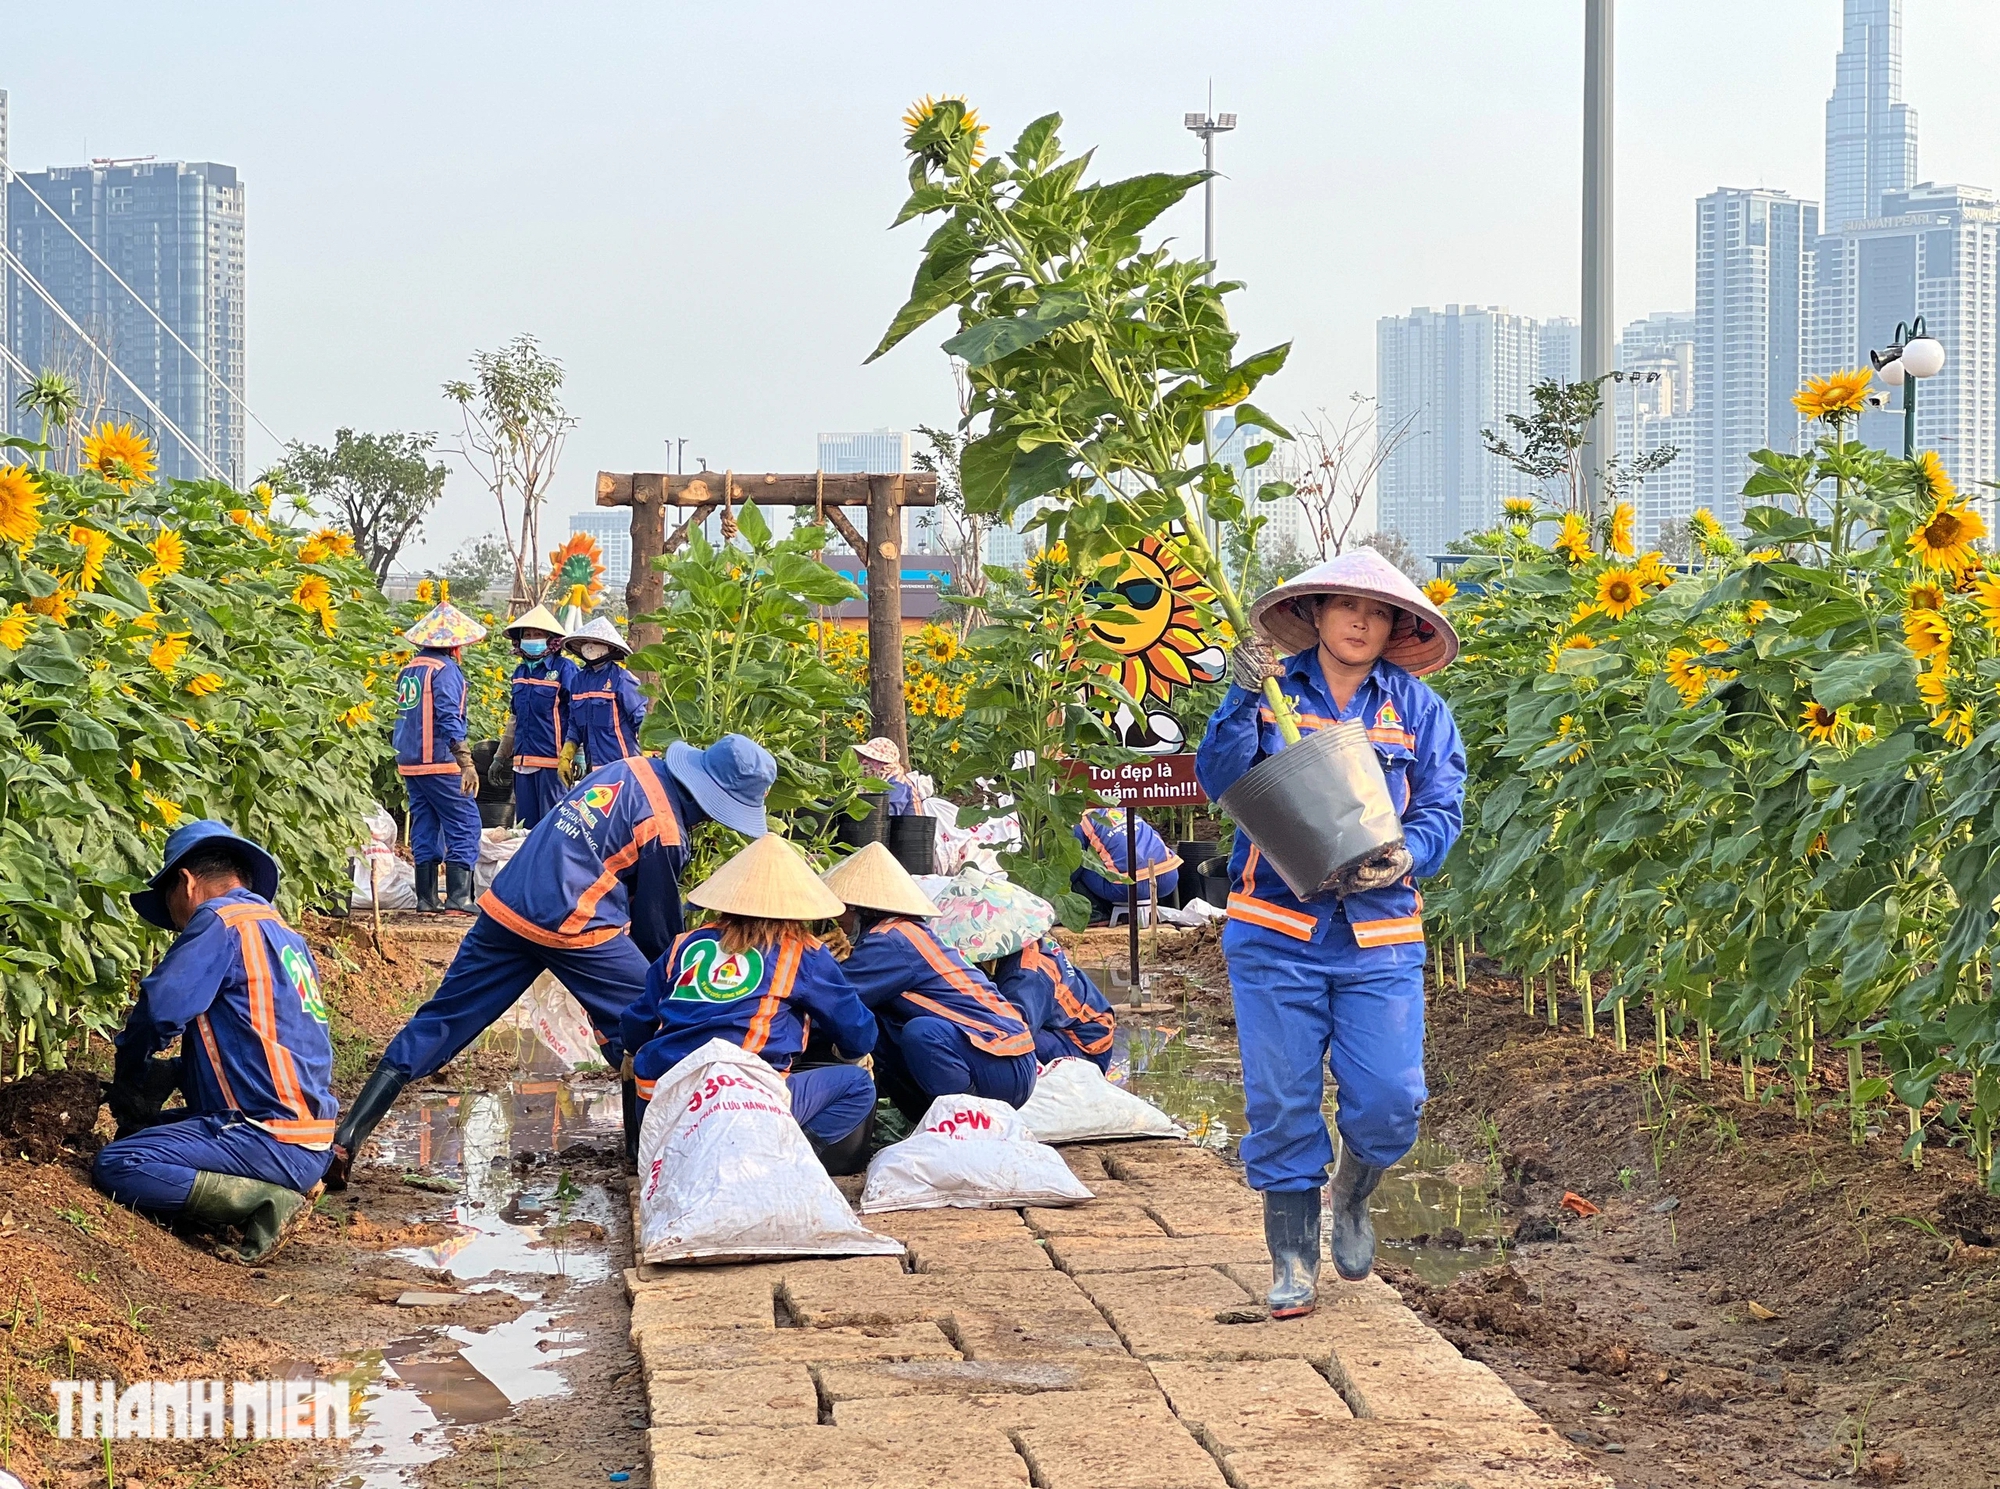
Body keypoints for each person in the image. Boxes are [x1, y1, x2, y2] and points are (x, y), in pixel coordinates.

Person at [1195, 547, 1465, 1320]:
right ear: (1313, 614)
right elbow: (1220, 777)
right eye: (1346, 605)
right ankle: (1290, 1257)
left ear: (1395, 627)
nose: (1360, 620)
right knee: (1281, 1100)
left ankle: (1352, 1191)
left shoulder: (1415, 710)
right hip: (1276, 929)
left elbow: (1442, 805)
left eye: (1378, 611)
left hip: (1380, 934)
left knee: (1390, 1098)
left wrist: (1411, 851)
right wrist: (1240, 698)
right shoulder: (1274, 689)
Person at [326, 734, 779, 1187]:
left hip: (508, 904)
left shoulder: (628, 769)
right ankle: (646, 1147)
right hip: (577, 922)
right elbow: (655, 931)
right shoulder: (665, 832)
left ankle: (349, 1135)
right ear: (710, 799)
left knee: (442, 1018)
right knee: (655, 1018)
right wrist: (678, 985)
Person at [92, 821, 336, 1264]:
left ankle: (265, 1203)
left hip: (268, 1134)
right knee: (150, 1134)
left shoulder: (220, 921)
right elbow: (255, 1040)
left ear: (185, 883)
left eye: (170, 908)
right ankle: (261, 1192)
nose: (175, 926)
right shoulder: (282, 934)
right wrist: (180, 1071)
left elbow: (160, 1010)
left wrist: (130, 1072)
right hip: (306, 1133)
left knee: (120, 1163)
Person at [619, 834, 879, 1174]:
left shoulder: (686, 943)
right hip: (739, 1105)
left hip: (663, 1100)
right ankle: (786, 1164)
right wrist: (854, 1054)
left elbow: (638, 1019)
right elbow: (856, 1031)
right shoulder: (800, 952)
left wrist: (629, 1052)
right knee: (858, 1085)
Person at [827, 843, 1038, 1118]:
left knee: (921, 1033)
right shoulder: (899, 932)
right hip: (993, 1057)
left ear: (858, 907)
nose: (834, 918)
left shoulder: (892, 940)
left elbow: (835, 1001)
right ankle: (927, 1122)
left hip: (1004, 1063)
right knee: (873, 1027)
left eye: (839, 908)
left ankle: (962, 1124)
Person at [394, 601, 488, 913]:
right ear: (455, 645)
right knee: (464, 821)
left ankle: (426, 898)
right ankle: (459, 897)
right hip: (439, 760)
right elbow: (449, 717)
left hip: (410, 761)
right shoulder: (445, 671)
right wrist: (466, 763)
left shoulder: (410, 669)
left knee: (426, 823)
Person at [494, 603, 577, 831]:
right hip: (522, 762)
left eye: (538, 634)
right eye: (527, 635)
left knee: (553, 827)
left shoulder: (564, 669)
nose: (531, 639)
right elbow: (515, 719)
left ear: (551, 639)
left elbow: (577, 714)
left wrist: (575, 756)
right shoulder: (519, 673)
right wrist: (501, 756)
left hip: (553, 763)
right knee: (525, 829)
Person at [998, 937, 1117, 1072]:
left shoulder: (1028, 974)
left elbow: (1014, 1032)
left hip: (1085, 1050)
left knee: (1006, 1042)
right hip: (1071, 1030)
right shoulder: (1029, 943)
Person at [566, 616, 648, 771]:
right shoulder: (578, 681)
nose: (590, 647)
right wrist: (569, 751)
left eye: (596, 642)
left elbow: (641, 719)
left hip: (622, 766)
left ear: (608, 647)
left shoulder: (622, 679)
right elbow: (574, 723)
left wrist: (649, 751)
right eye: (587, 642)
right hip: (593, 767)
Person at [1072, 807, 1181, 922]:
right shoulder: (1124, 809)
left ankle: (1096, 913)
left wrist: (1064, 885)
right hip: (1168, 880)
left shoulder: (1081, 821)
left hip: (1127, 888)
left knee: (1081, 859)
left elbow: (1074, 862)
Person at [852, 736, 921, 816]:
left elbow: (886, 815)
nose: (863, 762)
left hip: (909, 827)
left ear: (884, 763)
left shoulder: (899, 784)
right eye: (864, 757)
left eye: (870, 758)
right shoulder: (881, 781)